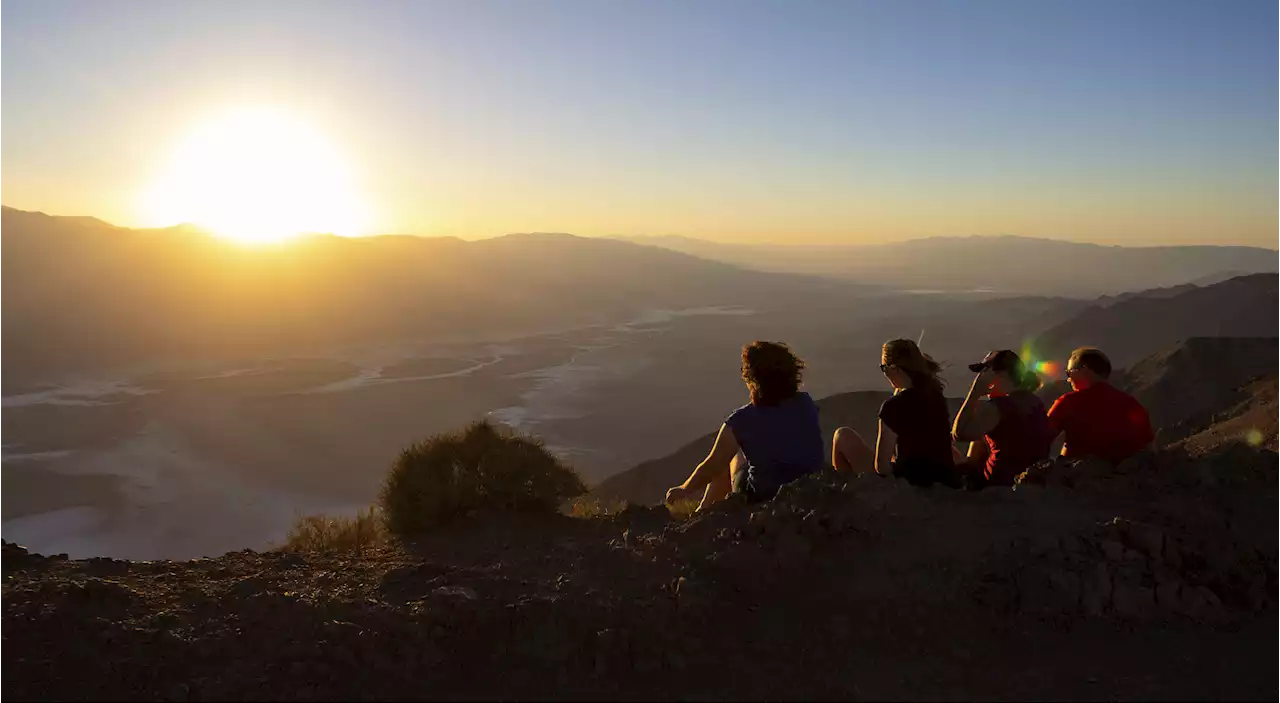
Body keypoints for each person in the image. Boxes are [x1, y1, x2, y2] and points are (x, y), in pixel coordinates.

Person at [665, 341, 823, 509]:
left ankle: (703, 511)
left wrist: (684, 489)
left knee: (728, 458)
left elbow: (712, 465)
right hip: (811, 488)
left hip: (765, 496)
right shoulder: (805, 402)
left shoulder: (741, 420)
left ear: (752, 379)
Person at [832, 339, 961, 488]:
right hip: (944, 479)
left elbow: (882, 467)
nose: (884, 372)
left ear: (895, 368)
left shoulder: (893, 407)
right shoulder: (935, 395)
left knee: (842, 436)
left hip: (910, 483)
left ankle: (846, 494)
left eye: (884, 367)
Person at [951, 349, 1054, 488]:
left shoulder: (1000, 406)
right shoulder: (1034, 401)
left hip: (999, 484)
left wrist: (975, 393)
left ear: (1000, 375)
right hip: (1026, 480)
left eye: (984, 373)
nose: (980, 378)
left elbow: (958, 434)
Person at [1046, 347, 1155, 465]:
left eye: (1069, 372)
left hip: (1079, 476)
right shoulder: (1132, 404)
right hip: (1127, 476)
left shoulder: (1068, 402)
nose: (1068, 379)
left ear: (1085, 370)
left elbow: (1041, 438)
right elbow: (1150, 446)